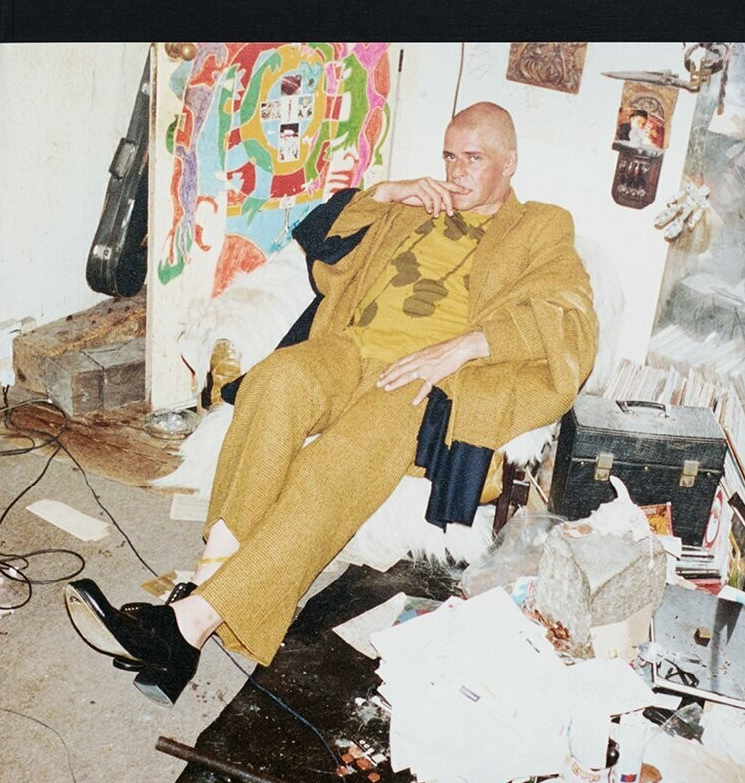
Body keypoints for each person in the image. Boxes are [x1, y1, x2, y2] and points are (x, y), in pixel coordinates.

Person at [64, 102, 599, 706]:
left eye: (473, 159)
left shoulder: (541, 226)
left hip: (421, 380)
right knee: (276, 381)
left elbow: (571, 317)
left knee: (334, 464)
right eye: (450, 157)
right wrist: (387, 193)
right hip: (350, 346)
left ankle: (188, 624)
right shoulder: (416, 204)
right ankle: (208, 586)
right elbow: (319, 235)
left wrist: (465, 346)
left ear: (510, 162)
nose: (456, 172)